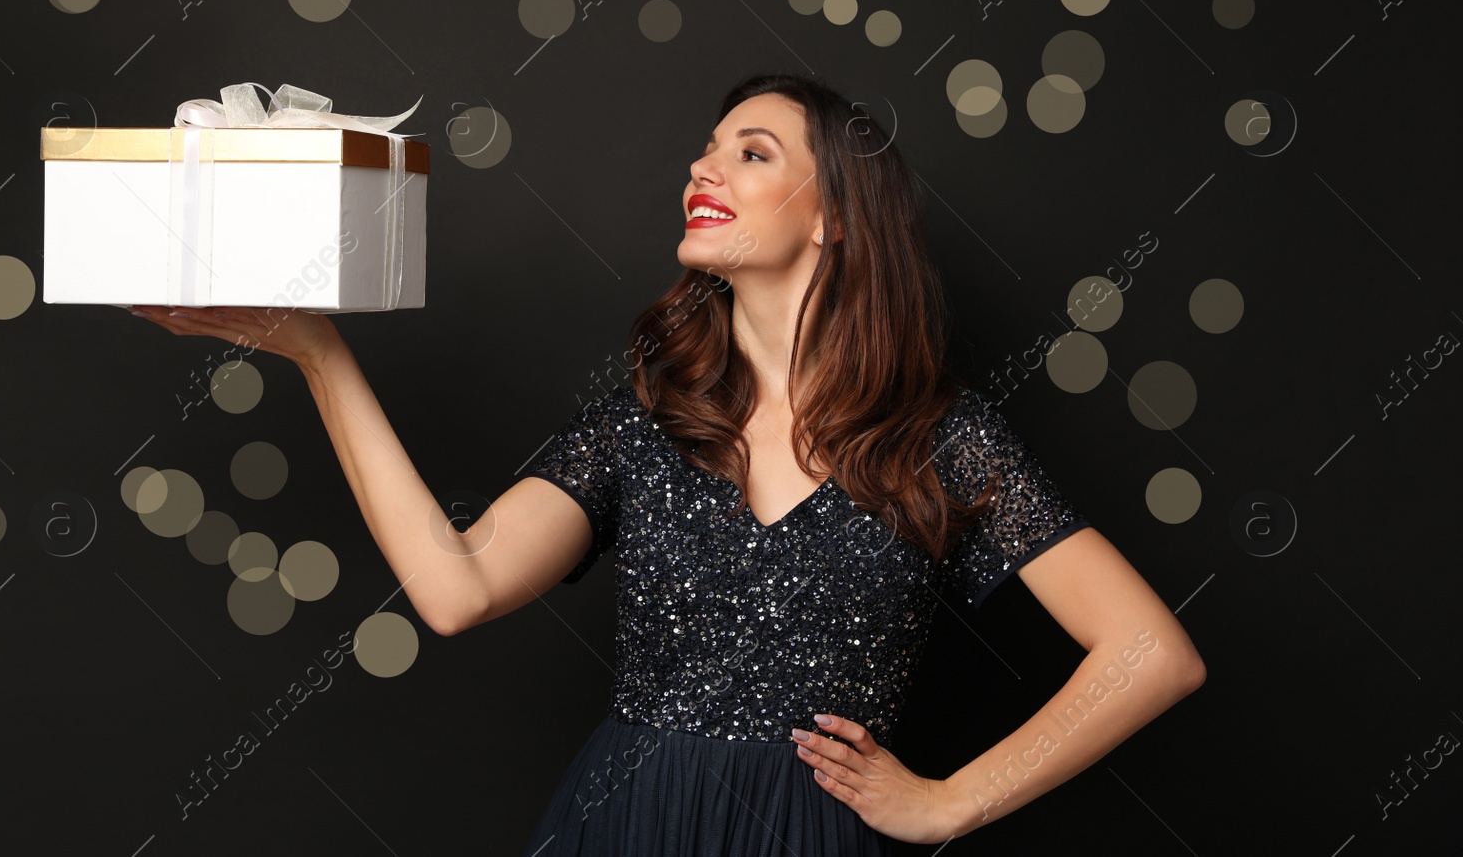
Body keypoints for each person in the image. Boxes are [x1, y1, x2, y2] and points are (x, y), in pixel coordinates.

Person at [128, 71, 1206, 853]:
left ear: (835, 215)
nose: (704, 165)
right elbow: (454, 589)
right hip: (624, 818)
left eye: (752, 151)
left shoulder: (935, 433)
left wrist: (947, 800)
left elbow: (1149, 651)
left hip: (810, 837)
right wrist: (319, 354)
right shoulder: (644, 419)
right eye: (706, 147)